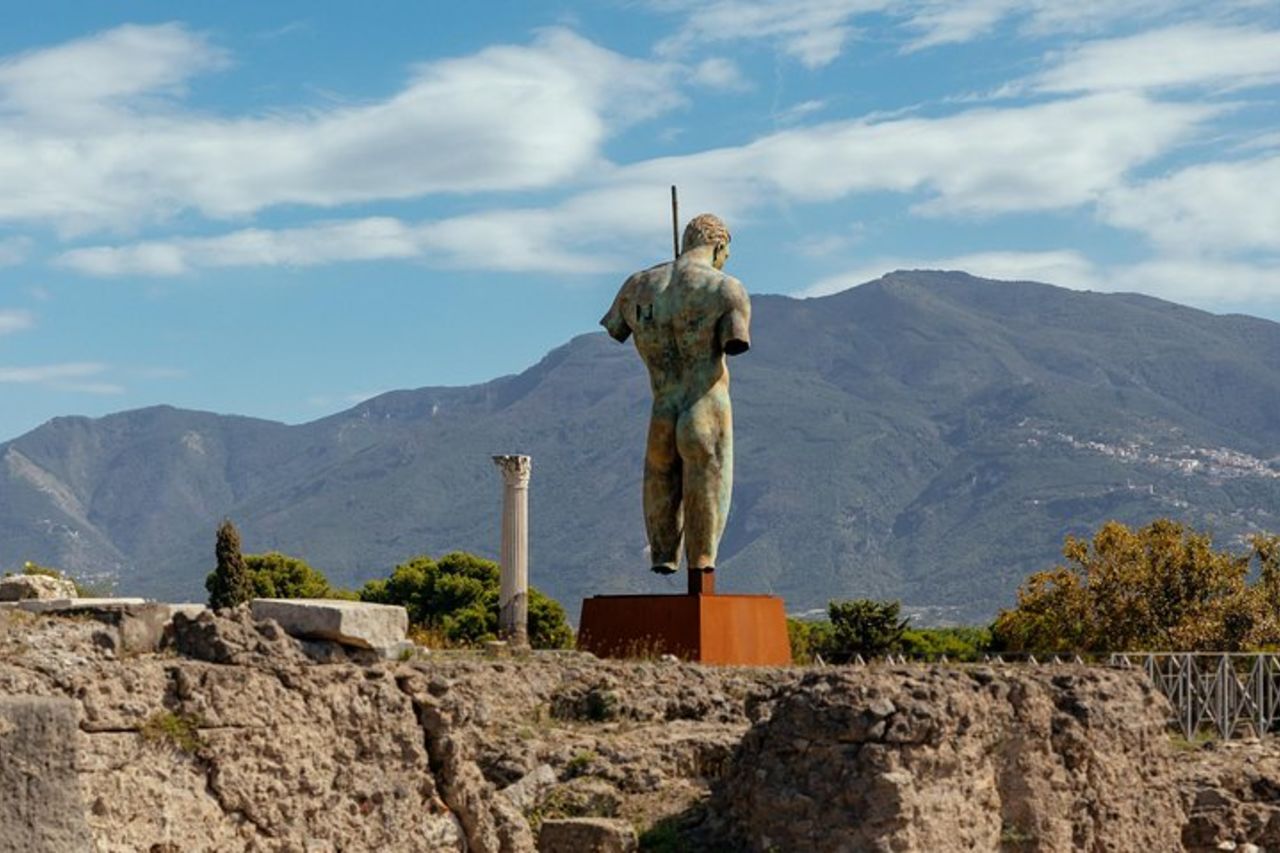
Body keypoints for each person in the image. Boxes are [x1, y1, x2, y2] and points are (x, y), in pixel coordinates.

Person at [600, 213, 751, 581]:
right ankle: (701, 562)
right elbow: (734, 341)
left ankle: (664, 554)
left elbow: (616, 328)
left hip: (662, 409)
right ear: (718, 246)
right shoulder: (726, 289)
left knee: (659, 477)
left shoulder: (637, 287)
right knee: (708, 481)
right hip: (705, 406)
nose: (725, 260)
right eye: (726, 253)